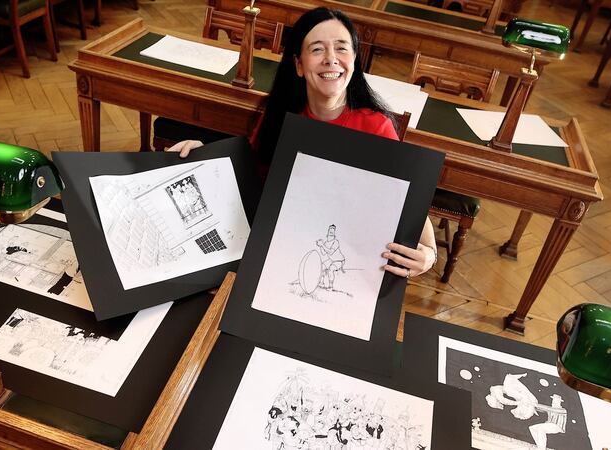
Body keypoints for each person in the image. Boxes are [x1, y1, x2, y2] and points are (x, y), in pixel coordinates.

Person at [168, 7, 437, 278]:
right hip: (278, 252)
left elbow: (406, 199)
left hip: (348, 263)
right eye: (317, 49)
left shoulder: (376, 127)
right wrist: (203, 159)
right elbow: (246, 178)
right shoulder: (279, 117)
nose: (331, 59)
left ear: (355, 60)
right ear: (298, 64)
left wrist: (429, 253)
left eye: (341, 48)